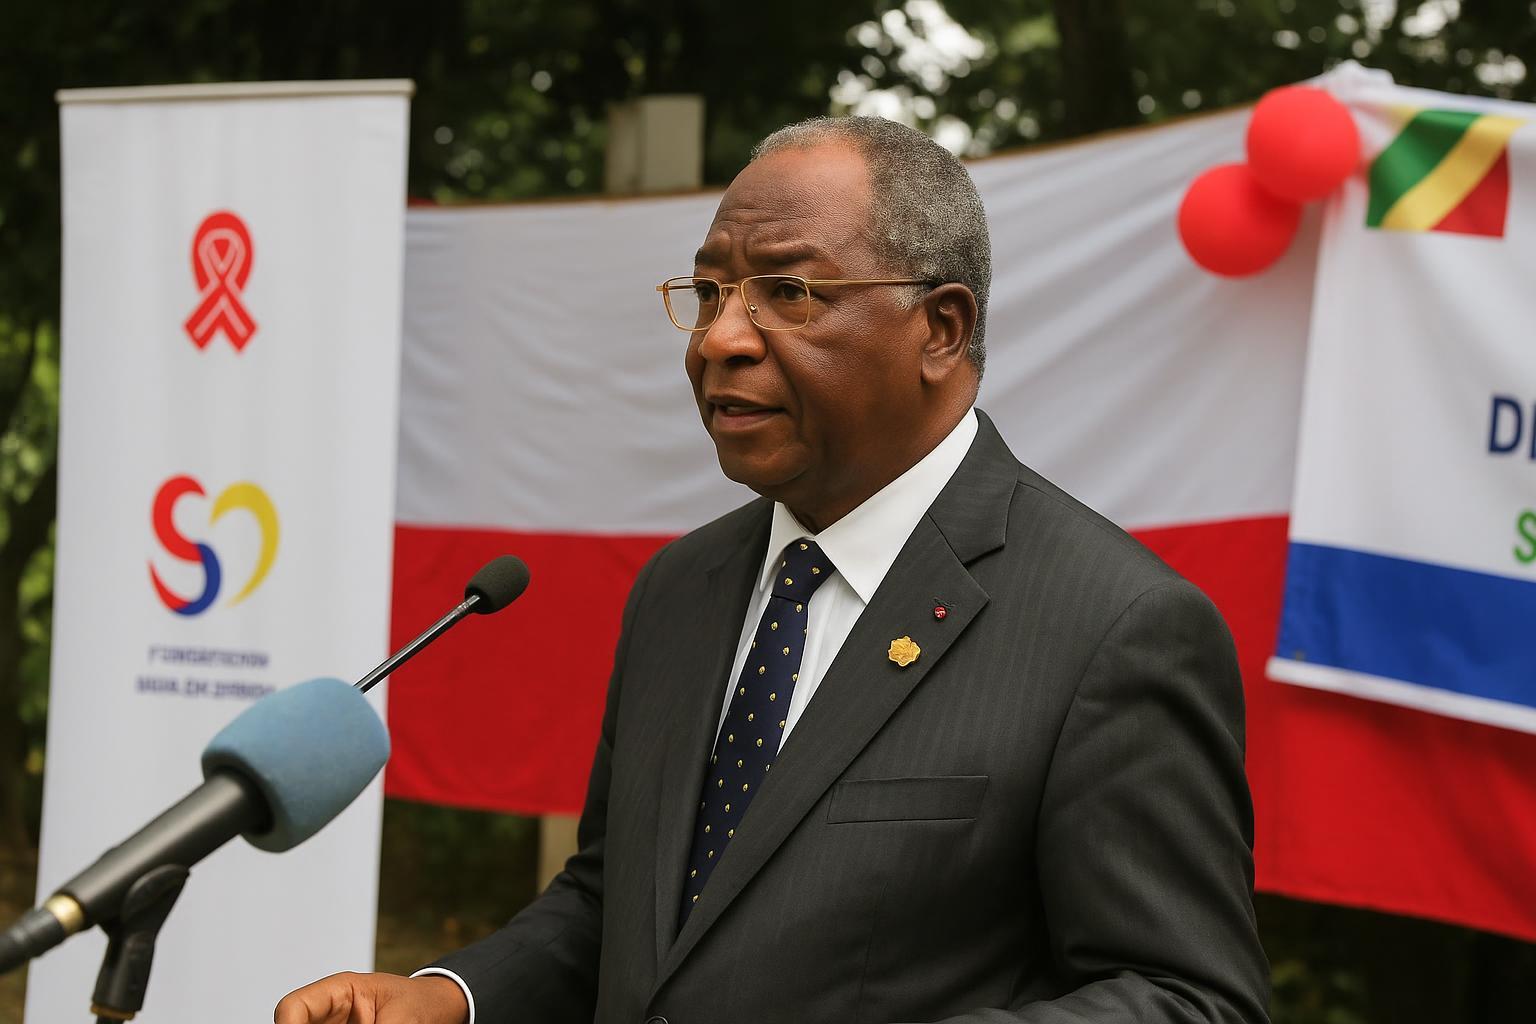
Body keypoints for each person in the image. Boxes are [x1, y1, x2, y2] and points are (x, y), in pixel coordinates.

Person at [276, 116, 1270, 1024]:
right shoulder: (680, 587)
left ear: (940, 327)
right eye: (710, 293)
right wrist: (453, 997)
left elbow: (1190, 999)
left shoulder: (1114, 625)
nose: (721, 339)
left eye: (788, 293)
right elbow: (619, 904)